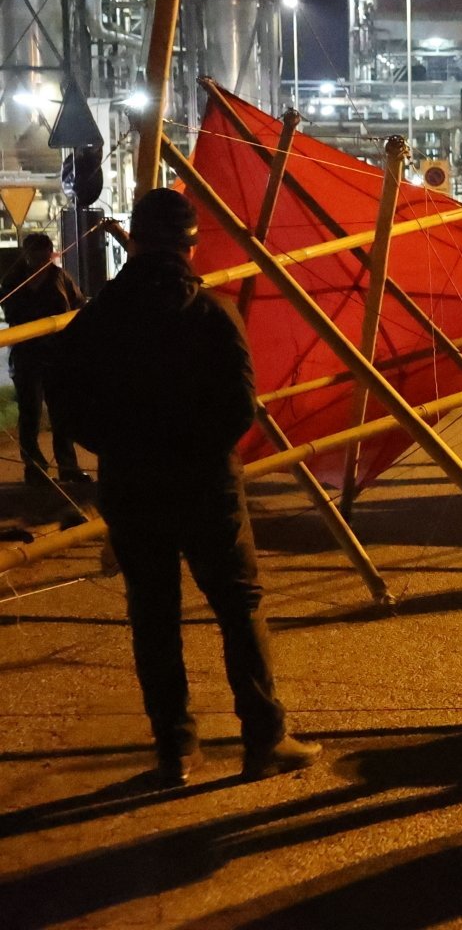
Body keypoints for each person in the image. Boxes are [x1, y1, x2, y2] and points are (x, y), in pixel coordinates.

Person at [58, 188, 318, 786]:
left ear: (136, 241)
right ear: (191, 245)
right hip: (207, 487)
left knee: (153, 616)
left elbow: (67, 401)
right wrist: (197, 451)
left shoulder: (98, 317)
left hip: (132, 484)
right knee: (238, 608)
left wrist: (120, 447)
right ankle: (263, 739)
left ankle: (176, 749)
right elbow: (239, 406)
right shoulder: (212, 313)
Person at [2, 232, 89, 487]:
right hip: (27, 357)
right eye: (36, 256)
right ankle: (34, 467)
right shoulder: (13, 281)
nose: (42, 262)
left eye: (45, 256)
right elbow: (11, 312)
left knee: (61, 413)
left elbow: (78, 305)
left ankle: (68, 467)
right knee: (29, 413)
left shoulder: (59, 277)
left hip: (56, 356)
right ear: (26, 255)